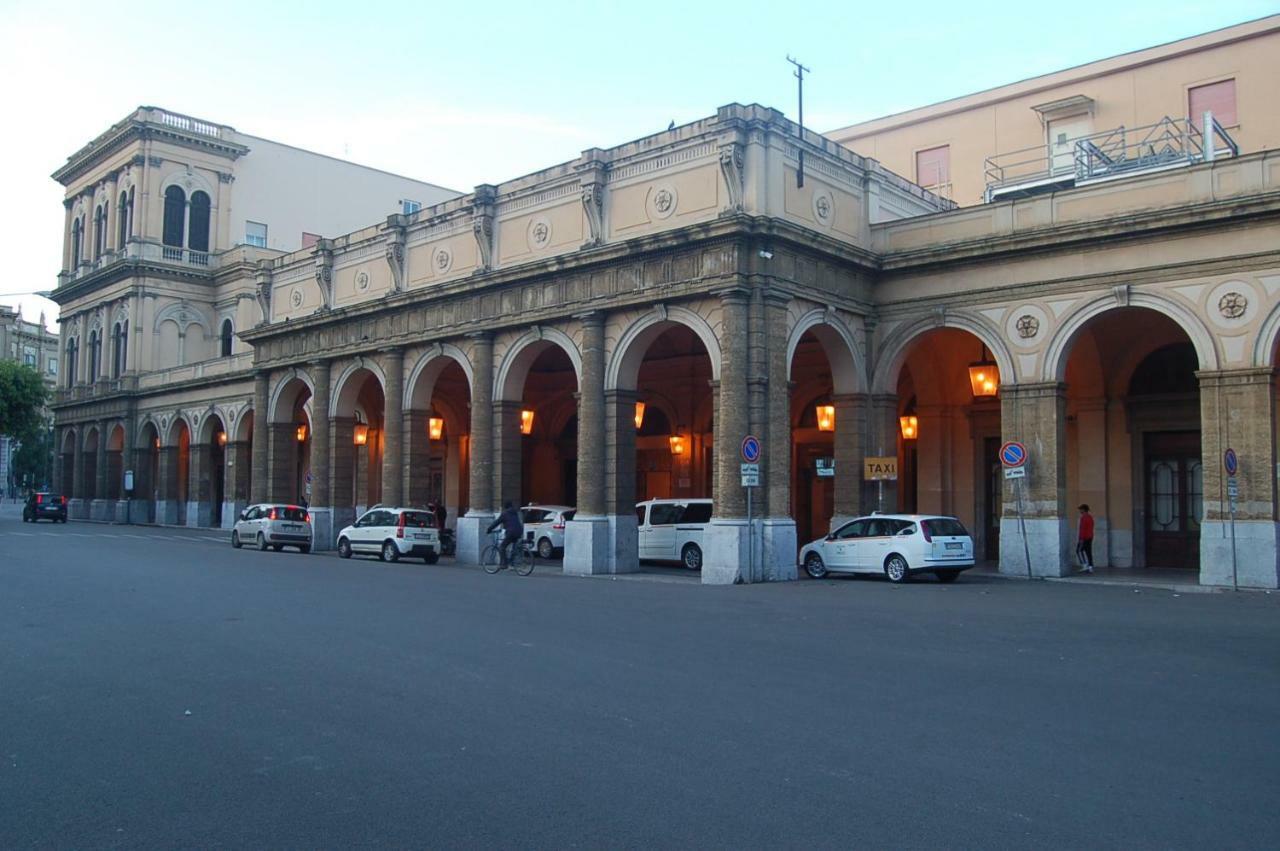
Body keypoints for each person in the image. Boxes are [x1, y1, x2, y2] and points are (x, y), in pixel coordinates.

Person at [486, 501, 524, 567]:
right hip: (519, 531)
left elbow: (496, 522)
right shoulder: (515, 513)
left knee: (502, 547)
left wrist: (489, 529)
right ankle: (512, 561)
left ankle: (504, 564)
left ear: (505, 507)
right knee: (513, 545)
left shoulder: (505, 514)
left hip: (511, 532)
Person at [1076, 503, 1095, 573]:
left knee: (1078, 551)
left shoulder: (1083, 518)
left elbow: (1082, 529)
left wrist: (1081, 539)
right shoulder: (1090, 517)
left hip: (1084, 538)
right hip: (1090, 537)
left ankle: (1084, 565)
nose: (1080, 511)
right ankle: (1090, 566)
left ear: (1083, 510)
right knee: (1088, 552)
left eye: (1080, 509)